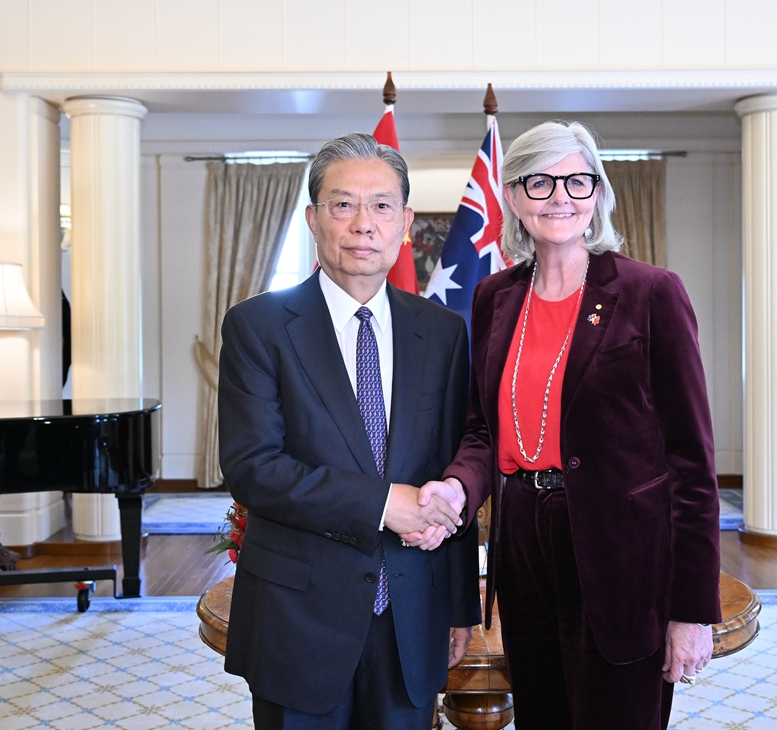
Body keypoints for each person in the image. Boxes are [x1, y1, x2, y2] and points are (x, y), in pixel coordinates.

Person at [407, 121, 721, 729]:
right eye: (541, 182)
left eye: (578, 181)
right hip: (522, 540)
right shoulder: (494, 297)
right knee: (542, 713)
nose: (560, 197)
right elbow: (482, 430)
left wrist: (691, 610)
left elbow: (691, 462)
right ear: (514, 196)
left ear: (598, 193)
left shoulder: (650, 292)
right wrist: (458, 487)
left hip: (620, 551)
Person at [218, 132, 481, 730]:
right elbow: (254, 468)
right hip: (298, 618)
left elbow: (450, 469)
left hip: (412, 615)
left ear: (405, 223)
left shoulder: (442, 332)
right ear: (313, 219)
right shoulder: (259, 326)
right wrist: (384, 503)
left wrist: (457, 605)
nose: (364, 223)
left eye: (382, 205)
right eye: (343, 204)